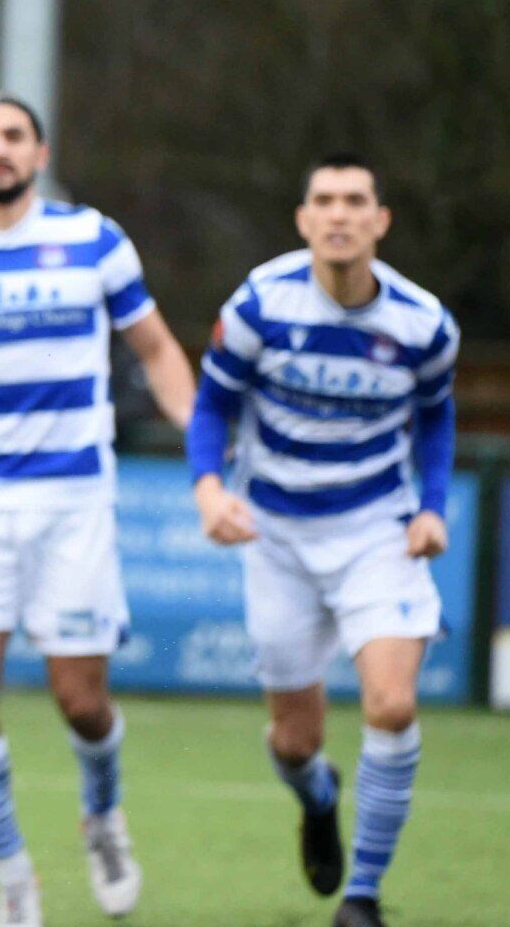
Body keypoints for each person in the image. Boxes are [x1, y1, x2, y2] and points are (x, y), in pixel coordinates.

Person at [0, 93, 196, 927]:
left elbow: (156, 348)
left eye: (14, 136)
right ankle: (14, 873)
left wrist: (204, 450)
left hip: (73, 498)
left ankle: (103, 815)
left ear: (40, 151)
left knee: (81, 702)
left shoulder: (95, 240)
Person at [187, 154, 459, 927]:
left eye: (355, 201)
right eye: (326, 201)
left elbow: (436, 418)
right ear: (304, 219)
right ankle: (317, 797)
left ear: (381, 221)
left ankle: (361, 897)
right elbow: (211, 409)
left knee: (393, 706)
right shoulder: (259, 305)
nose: (340, 214)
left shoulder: (423, 324)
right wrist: (209, 489)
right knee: (293, 742)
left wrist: (432, 507)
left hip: (377, 532)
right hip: (276, 537)